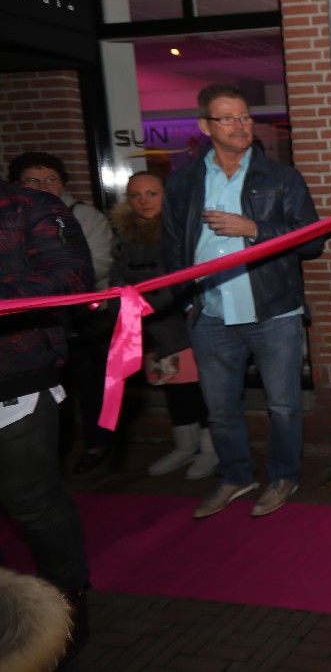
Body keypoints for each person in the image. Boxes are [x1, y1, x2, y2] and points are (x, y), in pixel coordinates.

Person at [163, 84, 324, 520]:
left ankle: (283, 475)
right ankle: (235, 475)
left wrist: (253, 228)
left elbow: (311, 242)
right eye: (228, 118)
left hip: (273, 311)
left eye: (245, 117)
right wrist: (187, 304)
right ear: (205, 126)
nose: (240, 125)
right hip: (210, 313)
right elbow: (174, 247)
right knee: (220, 410)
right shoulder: (183, 182)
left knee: (283, 406)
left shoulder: (282, 178)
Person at [0, 177, 94, 665]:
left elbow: (71, 275)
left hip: (14, 375)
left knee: (33, 502)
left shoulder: (27, 206)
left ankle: (66, 607)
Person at [8, 151, 116, 474]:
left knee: (91, 385)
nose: (43, 186)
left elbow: (96, 264)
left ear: (63, 183)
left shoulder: (84, 215)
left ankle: (97, 444)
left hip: (83, 316)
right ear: (17, 184)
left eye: (51, 179)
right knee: (55, 392)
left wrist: (37, 282)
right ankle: (58, 449)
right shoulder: (13, 214)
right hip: (32, 322)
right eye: (33, 180)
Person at [110, 171, 218, 479]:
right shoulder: (123, 234)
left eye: (151, 194)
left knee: (198, 388)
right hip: (147, 328)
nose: (143, 201)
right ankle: (185, 445)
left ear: (166, 196)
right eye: (135, 195)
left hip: (183, 323)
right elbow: (118, 277)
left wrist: (146, 305)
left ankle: (211, 449)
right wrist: (122, 306)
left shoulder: (181, 229)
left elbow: (188, 276)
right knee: (172, 388)